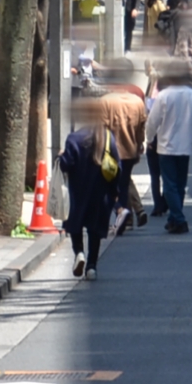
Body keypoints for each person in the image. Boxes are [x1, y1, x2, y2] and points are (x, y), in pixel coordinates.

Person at [57, 108, 121, 280]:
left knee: (75, 225)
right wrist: (115, 192)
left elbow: (65, 166)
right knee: (95, 231)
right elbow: (117, 168)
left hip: (77, 193)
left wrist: (60, 156)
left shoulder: (73, 139)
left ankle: (79, 253)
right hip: (101, 195)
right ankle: (92, 266)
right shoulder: (107, 138)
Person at [144, 64, 192, 233]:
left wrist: (149, 139)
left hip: (166, 146)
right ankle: (174, 218)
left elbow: (152, 121)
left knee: (170, 184)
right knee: (180, 184)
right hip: (185, 146)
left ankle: (178, 219)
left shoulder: (164, 96)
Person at [88, 59, 150, 230]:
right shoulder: (137, 100)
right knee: (123, 184)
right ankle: (128, 215)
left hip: (110, 150)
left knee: (108, 184)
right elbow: (141, 126)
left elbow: (100, 127)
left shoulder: (107, 100)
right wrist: (139, 143)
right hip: (130, 149)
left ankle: (121, 215)